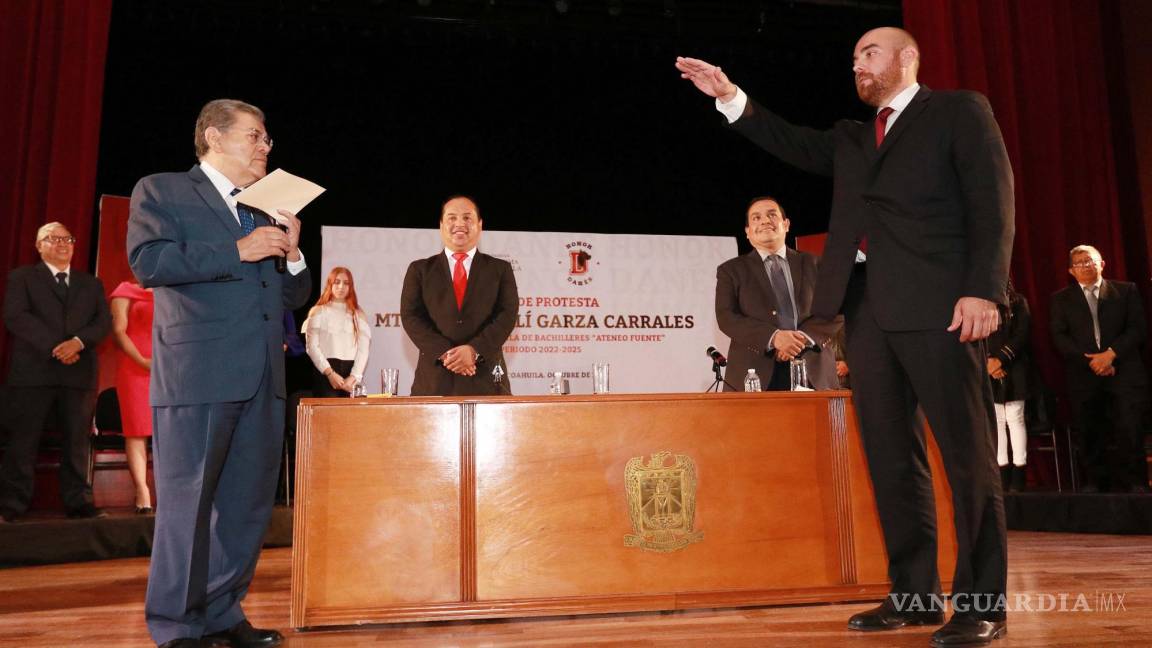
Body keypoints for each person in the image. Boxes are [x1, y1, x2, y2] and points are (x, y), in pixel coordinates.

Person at [677, 25, 1014, 646]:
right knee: (891, 461)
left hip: (944, 308)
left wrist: (985, 289)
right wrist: (729, 96)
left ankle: (982, 602)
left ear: (908, 58)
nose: (857, 64)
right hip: (863, 315)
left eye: (870, 53)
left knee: (967, 459)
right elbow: (787, 140)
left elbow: (994, 201)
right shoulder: (855, 138)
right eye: (853, 57)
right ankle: (914, 596)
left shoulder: (959, 112)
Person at [127, 98, 311, 648]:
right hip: (198, 374)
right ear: (213, 137)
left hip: (261, 378)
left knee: (245, 505)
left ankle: (223, 614)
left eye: (267, 139)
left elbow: (291, 294)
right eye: (256, 136)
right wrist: (239, 249)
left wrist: (294, 253)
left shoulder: (262, 208)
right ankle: (177, 626)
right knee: (188, 505)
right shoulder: (161, 190)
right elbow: (149, 262)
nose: (265, 148)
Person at [0, 222, 111, 523]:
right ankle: (11, 505)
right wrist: (56, 346)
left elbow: (103, 323)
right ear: (38, 246)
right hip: (33, 373)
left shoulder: (92, 284)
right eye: (53, 239)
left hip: (79, 374)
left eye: (68, 239)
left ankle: (79, 503)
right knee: (23, 442)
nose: (63, 244)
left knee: (76, 442)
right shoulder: (22, 278)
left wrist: (77, 343)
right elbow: (15, 316)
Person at [1050, 245, 1150, 494]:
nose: (1085, 265)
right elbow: (1059, 337)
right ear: (1071, 271)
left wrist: (1110, 355)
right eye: (1079, 263)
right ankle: (1096, 483)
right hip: (1084, 374)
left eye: (1090, 260)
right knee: (1090, 430)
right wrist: (1093, 362)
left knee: (1130, 428)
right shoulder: (1060, 299)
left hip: (1124, 370)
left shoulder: (1125, 291)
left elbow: (1137, 329)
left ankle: (1136, 482)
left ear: (1102, 264)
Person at [715, 196, 841, 391]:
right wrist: (774, 338)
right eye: (756, 218)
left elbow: (836, 309)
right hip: (754, 374)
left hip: (814, 372)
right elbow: (726, 317)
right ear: (748, 232)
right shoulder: (731, 271)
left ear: (786, 224)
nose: (765, 220)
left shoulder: (817, 264)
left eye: (772, 215)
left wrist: (799, 340)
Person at [400, 196, 518, 396]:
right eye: (452, 218)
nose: (459, 224)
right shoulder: (419, 269)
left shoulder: (500, 269)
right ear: (441, 225)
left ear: (480, 225)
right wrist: (448, 354)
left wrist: (474, 350)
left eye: (467, 218)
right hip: (434, 381)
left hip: (487, 379)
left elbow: (507, 315)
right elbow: (411, 317)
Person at [109, 280, 156, 513]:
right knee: (137, 430)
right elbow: (118, 332)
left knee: (172, 431)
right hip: (136, 368)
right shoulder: (125, 290)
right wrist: (143, 362)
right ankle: (142, 489)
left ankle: (170, 493)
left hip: (172, 368)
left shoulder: (174, 289)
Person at [986, 280, 1034, 493]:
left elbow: (1021, 334)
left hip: (1014, 366)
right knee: (996, 420)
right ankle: (1002, 471)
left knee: (1015, 417)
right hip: (987, 368)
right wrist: (989, 362)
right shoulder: (981, 306)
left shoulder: (1018, 301)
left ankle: (1019, 472)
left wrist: (1001, 360)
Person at [302, 267, 371, 397]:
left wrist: (354, 376)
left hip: (351, 375)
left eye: (346, 283)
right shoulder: (318, 311)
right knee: (327, 416)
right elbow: (312, 347)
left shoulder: (359, 314)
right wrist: (329, 373)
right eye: (337, 282)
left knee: (350, 417)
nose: (341, 286)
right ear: (330, 284)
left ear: (351, 287)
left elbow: (363, 350)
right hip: (325, 374)